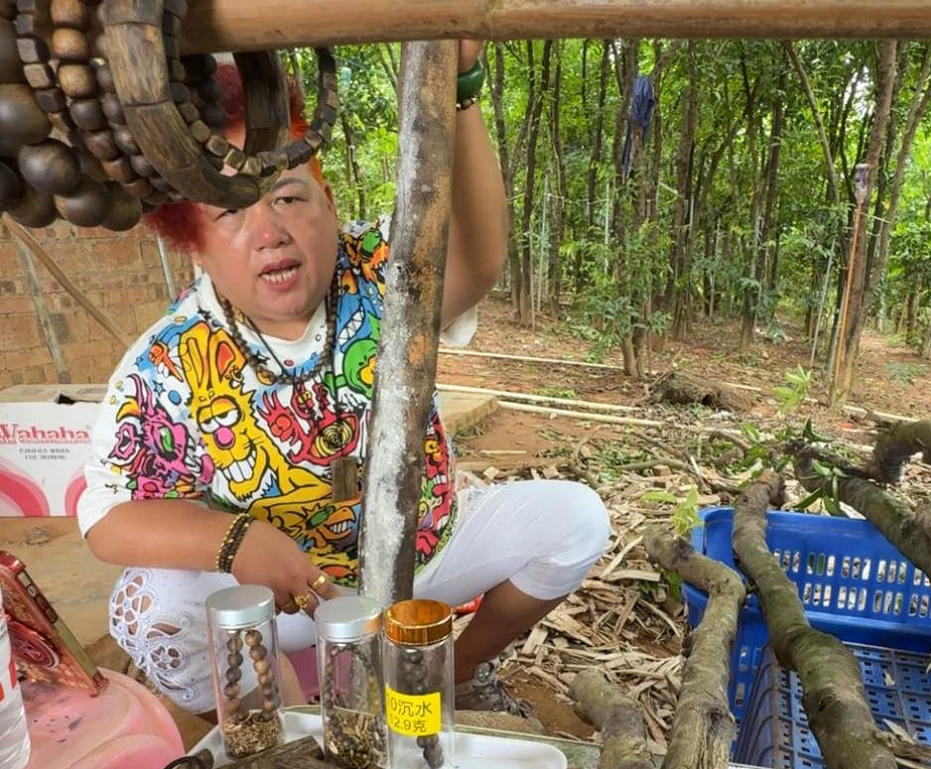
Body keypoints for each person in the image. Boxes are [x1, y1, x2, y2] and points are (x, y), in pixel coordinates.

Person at [78, 42, 610, 717]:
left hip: (428, 554)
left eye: (288, 195)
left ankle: (451, 674)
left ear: (329, 204)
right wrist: (234, 541)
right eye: (231, 212)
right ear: (197, 247)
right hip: (300, 596)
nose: (268, 231)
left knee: (575, 521)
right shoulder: (166, 365)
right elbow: (105, 517)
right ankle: (296, 727)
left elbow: (476, 261)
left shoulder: (386, 273)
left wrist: (461, 88)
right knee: (150, 607)